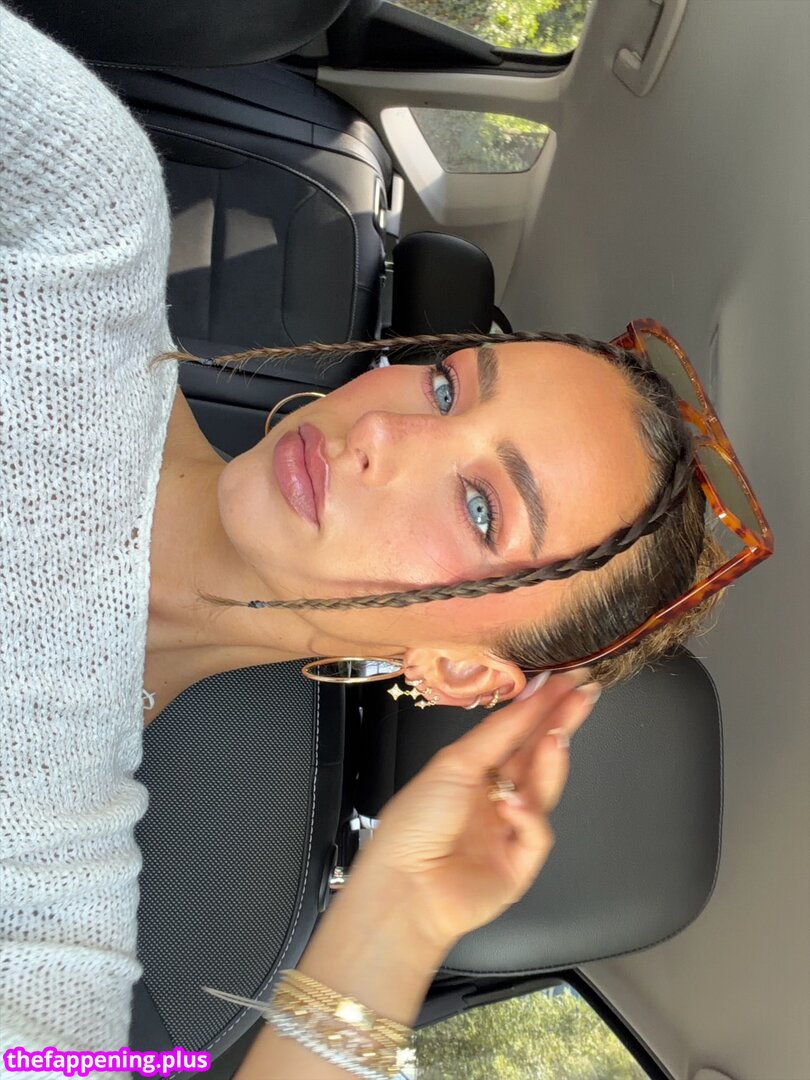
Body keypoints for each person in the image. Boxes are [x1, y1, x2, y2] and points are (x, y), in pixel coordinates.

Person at [1, 7, 770, 1079]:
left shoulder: (47, 866)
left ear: (457, 670)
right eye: (448, 386)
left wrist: (398, 918)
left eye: (483, 509)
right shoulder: (84, 233)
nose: (380, 434)